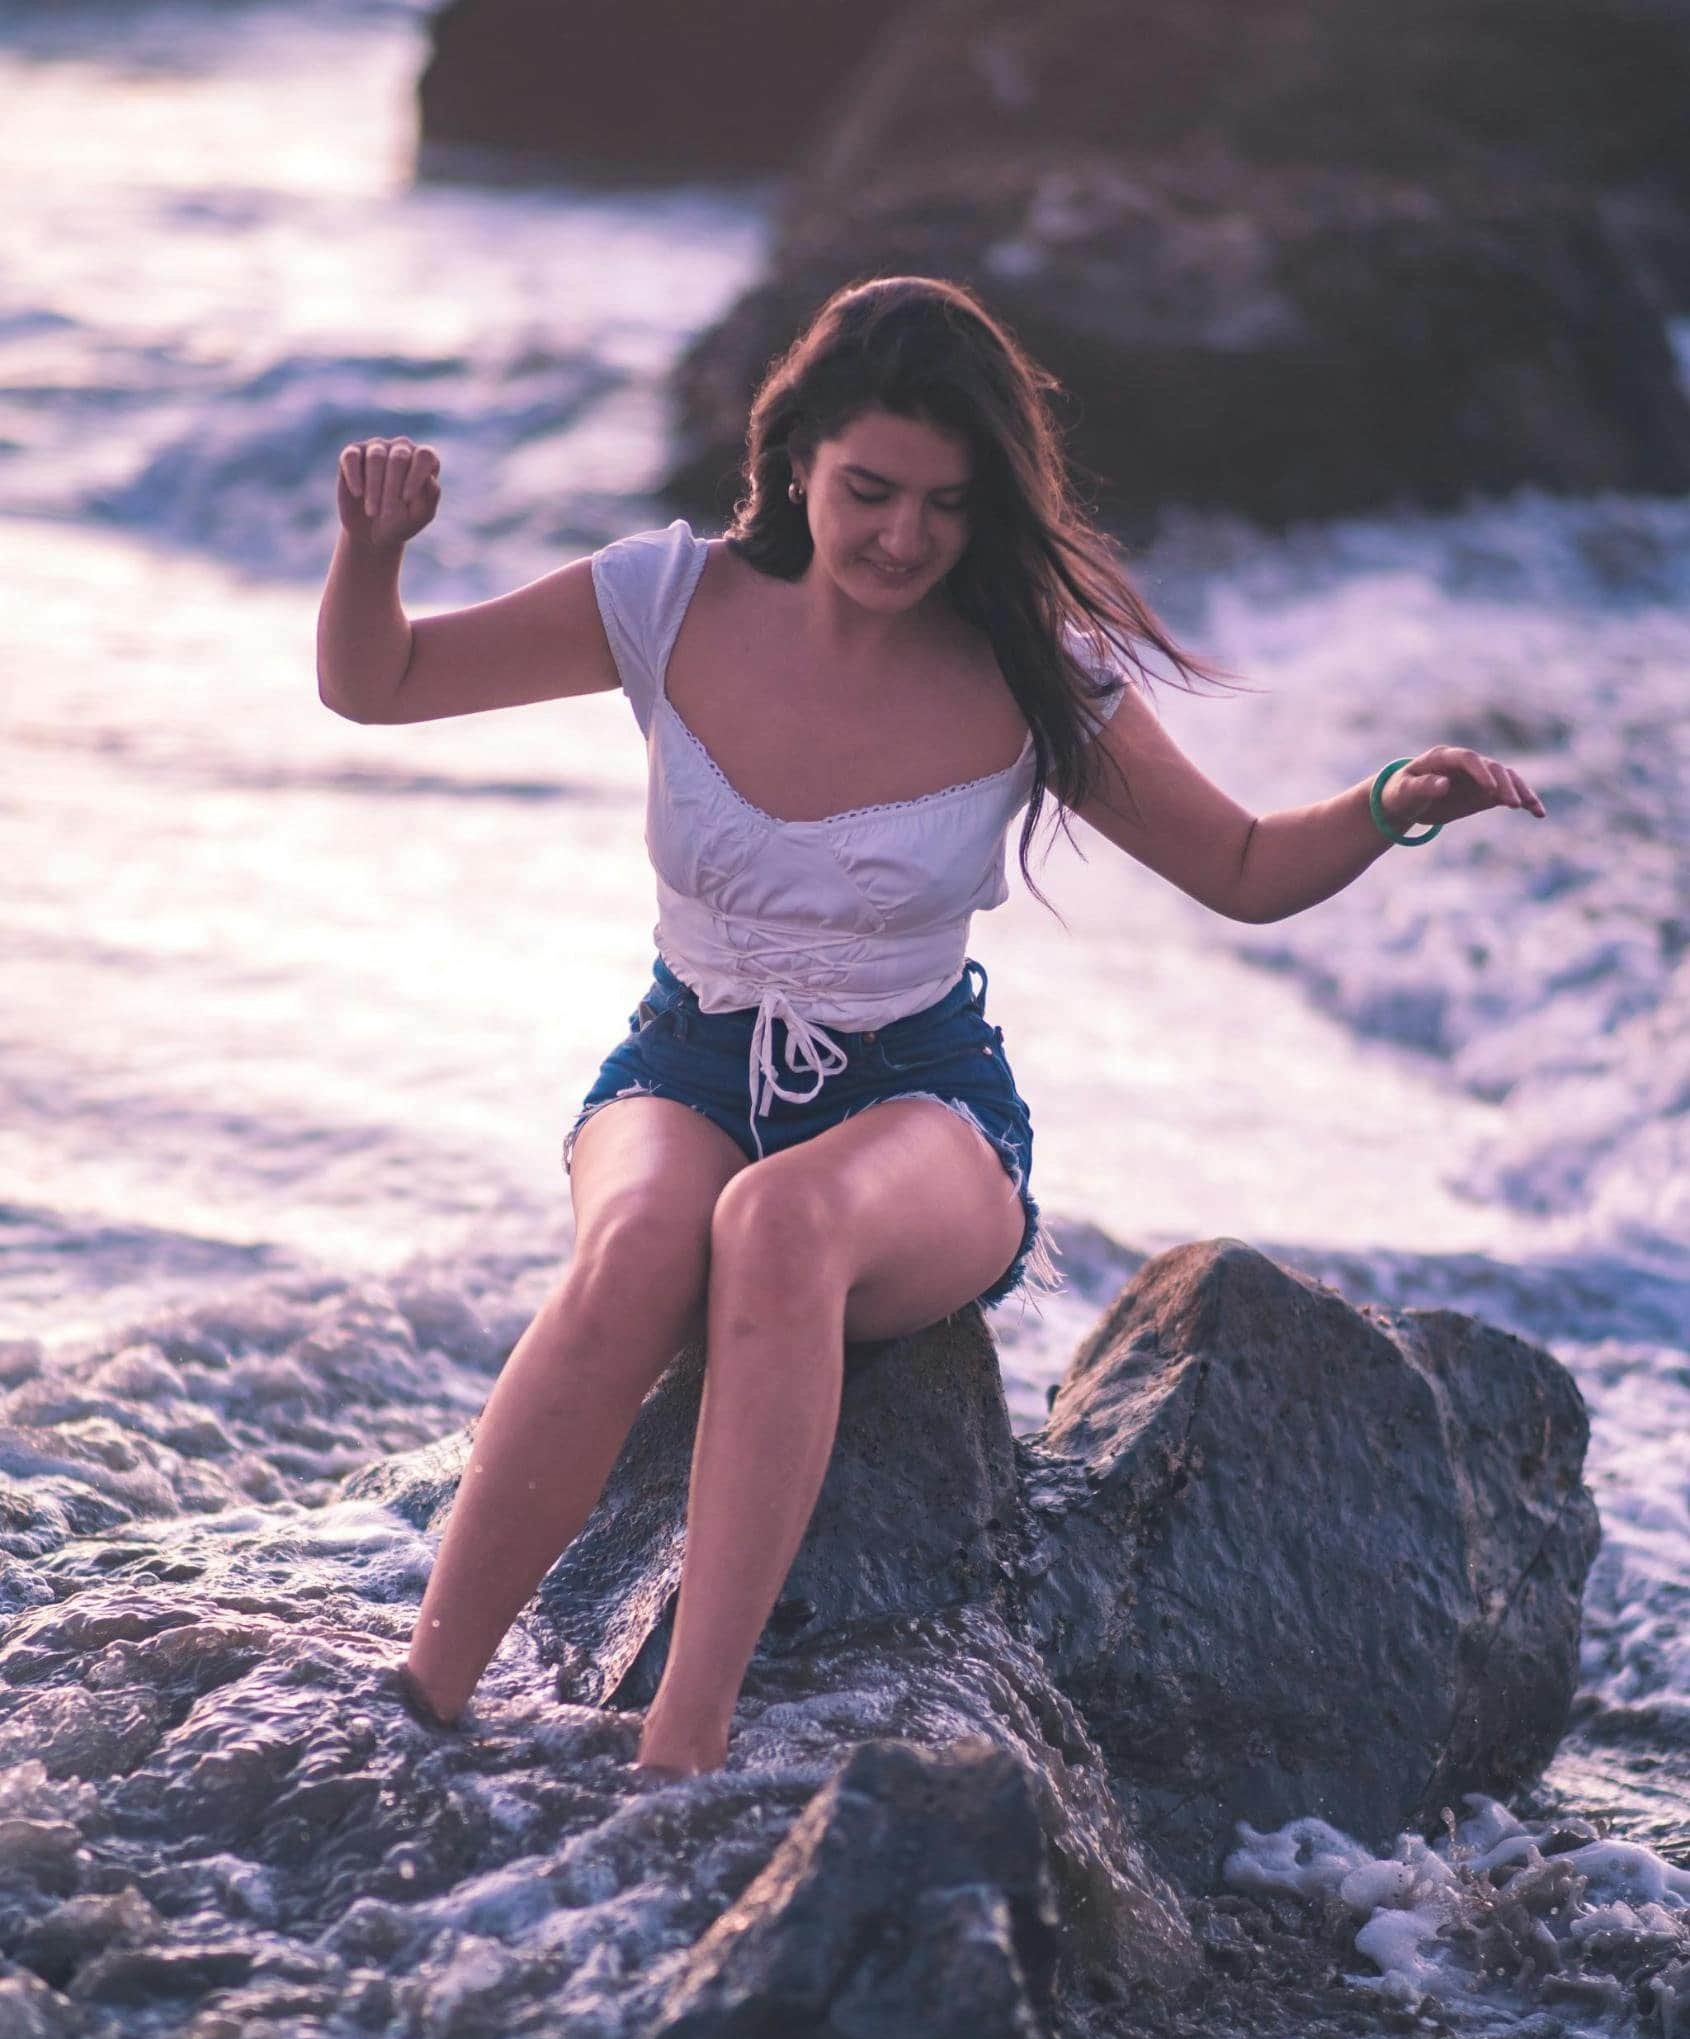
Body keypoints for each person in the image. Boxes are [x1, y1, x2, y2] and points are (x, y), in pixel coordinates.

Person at [316, 275, 1544, 1781]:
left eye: (946, 505)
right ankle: (421, 1703)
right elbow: (381, 683)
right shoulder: (662, 597)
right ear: (793, 463)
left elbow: (1235, 868)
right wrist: (372, 554)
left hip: (921, 1107)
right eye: (870, 490)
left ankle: (680, 1743)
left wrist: (1383, 806)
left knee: (775, 1222)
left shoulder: (1035, 675)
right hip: (682, 1060)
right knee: (639, 1245)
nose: (903, 535)